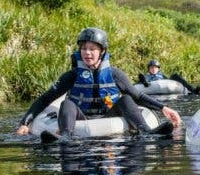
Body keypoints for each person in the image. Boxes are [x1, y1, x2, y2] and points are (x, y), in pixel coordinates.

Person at [16, 27, 181, 140]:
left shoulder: (115, 74)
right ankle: (65, 136)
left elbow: (137, 95)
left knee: (126, 99)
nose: (87, 52)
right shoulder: (72, 75)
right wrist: (25, 122)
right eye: (84, 48)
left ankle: (145, 132)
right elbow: (46, 98)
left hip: (108, 113)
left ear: (102, 51)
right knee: (66, 104)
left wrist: (163, 108)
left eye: (92, 49)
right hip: (81, 117)